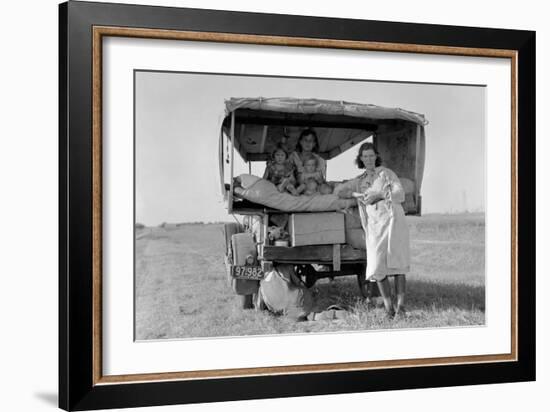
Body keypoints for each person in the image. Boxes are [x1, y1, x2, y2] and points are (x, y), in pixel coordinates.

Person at [338, 142, 410, 318]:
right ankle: (388, 308)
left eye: (371, 155)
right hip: (375, 224)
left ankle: (400, 308)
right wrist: (357, 195)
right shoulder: (360, 180)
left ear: (376, 156)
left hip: (393, 220)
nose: (369, 159)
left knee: (397, 262)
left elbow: (400, 194)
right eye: (365, 156)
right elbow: (339, 191)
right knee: (377, 265)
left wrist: (379, 194)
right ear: (360, 159)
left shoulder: (386, 173)